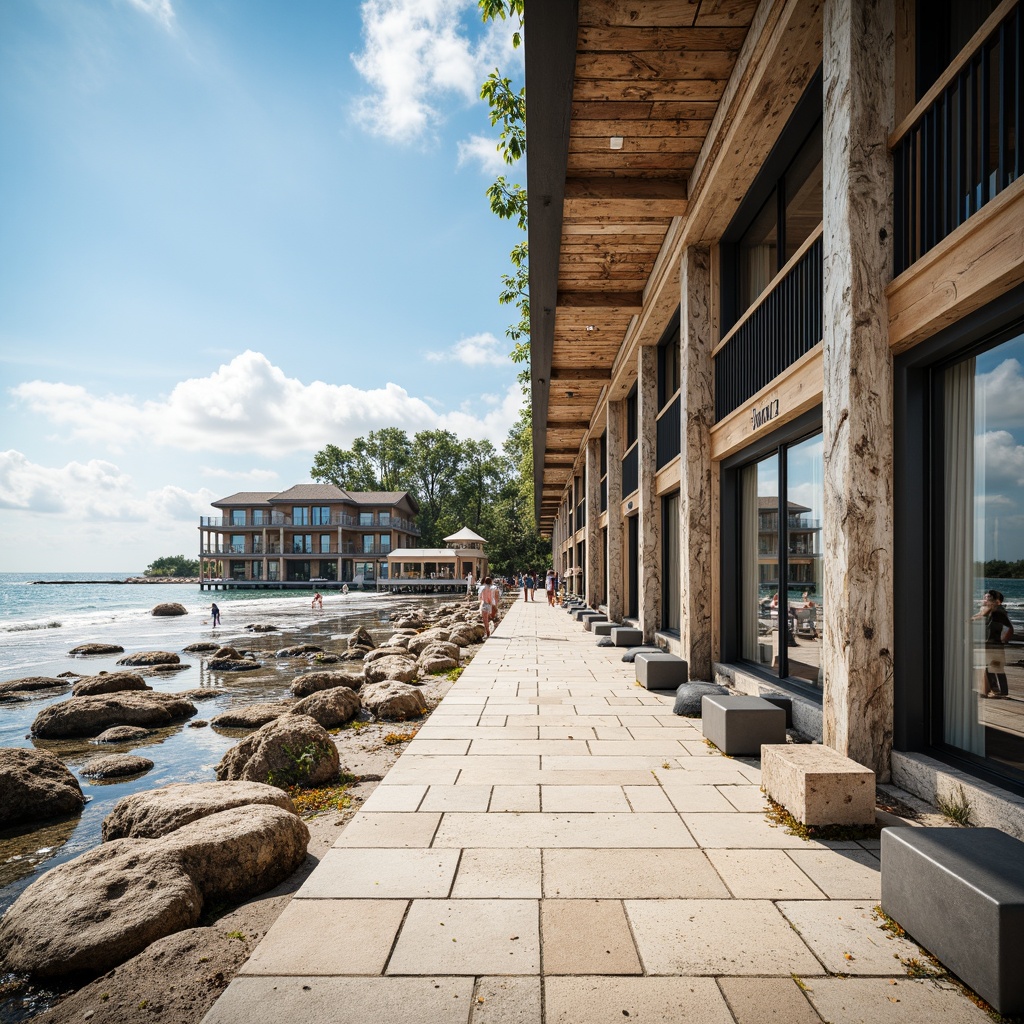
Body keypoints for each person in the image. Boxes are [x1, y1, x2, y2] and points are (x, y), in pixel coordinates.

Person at [973, 590, 1013, 697]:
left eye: (987, 598)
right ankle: (995, 690)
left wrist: (1004, 640)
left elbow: (1008, 628)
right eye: (985, 597)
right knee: (988, 667)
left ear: (995, 600)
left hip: (995, 644)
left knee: (997, 667)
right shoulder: (989, 611)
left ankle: (1002, 692)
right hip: (989, 643)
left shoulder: (998, 611)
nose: (984, 600)